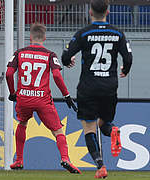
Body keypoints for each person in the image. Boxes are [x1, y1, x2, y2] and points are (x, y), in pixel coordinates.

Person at [61, 0, 132, 178]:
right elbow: (128, 57)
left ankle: (100, 166)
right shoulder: (118, 33)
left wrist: (68, 61)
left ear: (90, 12)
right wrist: (125, 69)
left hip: (88, 87)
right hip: (109, 87)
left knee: (89, 127)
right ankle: (113, 129)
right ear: (108, 12)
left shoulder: (84, 33)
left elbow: (65, 56)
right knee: (104, 123)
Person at [6, 23, 81, 174]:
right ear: (44, 38)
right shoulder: (49, 54)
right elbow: (56, 75)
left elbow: (8, 74)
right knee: (58, 131)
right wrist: (66, 95)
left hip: (24, 98)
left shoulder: (19, 53)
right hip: (42, 100)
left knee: (22, 122)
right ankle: (65, 158)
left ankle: (19, 160)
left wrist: (13, 93)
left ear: (30, 37)